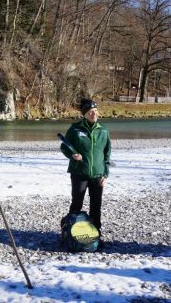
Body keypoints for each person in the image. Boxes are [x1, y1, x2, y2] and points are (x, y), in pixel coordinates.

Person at [60, 99, 111, 244]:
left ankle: (95, 235)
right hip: (79, 174)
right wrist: (72, 155)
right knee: (77, 203)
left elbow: (107, 154)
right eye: (90, 112)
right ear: (84, 114)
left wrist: (105, 174)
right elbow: (64, 147)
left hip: (97, 175)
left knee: (96, 205)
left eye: (95, 111)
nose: (94, 114)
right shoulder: (75, 129)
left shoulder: (103, 130)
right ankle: (70, 232)